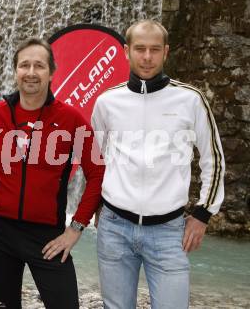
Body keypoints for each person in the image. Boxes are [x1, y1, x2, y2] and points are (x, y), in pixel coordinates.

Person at [91, 19, 225, 309]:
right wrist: (95, 205)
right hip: (114, 229)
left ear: (166, 52)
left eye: (154, 49)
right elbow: (95, 159)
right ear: (126, 51)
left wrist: (203, 214)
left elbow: (214, 159)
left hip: (168, 231)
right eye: (140, 49)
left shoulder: (190, 100)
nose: (147, 57)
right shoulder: (107, 101)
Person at [0, 37, 104, 309]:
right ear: (15, 71)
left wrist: (76, 228)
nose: (31, 73)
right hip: (1, 234)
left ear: (52, 73)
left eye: (39, 66)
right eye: (24, 65)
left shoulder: (70, 119)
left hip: (48, 237)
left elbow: (97, 173)